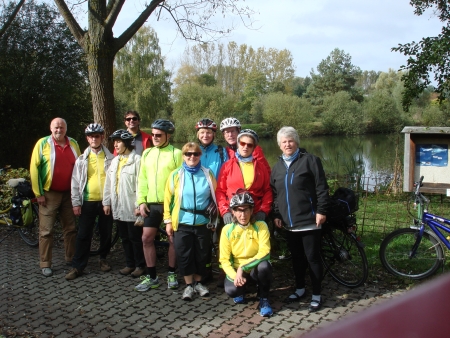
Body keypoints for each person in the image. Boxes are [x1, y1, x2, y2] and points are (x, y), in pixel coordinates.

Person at [270, 126, 329, 312]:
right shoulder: (277, 166)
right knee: (296, 259)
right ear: (279, 145)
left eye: (291, 140)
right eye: (284, 141)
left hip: (309, 220)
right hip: (289, 223)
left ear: (297, 142)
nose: (288, 144)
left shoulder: (310, 161)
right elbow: (275, 193)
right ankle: (300, 289)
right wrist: (277, 214)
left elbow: (321, 188)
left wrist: (321, 210)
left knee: (312, 258)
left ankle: (317, 294)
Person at [164, 142, 218, 300]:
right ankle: (188, 286)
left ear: (200, 155)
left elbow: (216, 197)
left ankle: (199, 283)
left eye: (195, 154)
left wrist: (214, 220)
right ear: (183, 156)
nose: (192, 157)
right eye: (188, 154)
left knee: (202, 254)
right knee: (184, 254)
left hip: (203, 222)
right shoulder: (176, 174)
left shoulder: (208, 174)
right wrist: (168, 221)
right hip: (182, 222)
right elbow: (168, 199)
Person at [135, 119, 182, 292]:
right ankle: (152, 276)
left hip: (170, 204)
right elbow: (142, 179)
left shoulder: (176, 153)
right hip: (151, 204)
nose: (154, 137)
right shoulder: (147, 153)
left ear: (167, 135)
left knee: (172, 239)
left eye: (159, 135)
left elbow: (180, 181)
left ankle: (171, 273)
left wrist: (177, 203)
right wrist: (141, 201)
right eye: (153, 134)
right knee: (146, 238)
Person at [30, 118, 81, 277]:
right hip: (49, 194)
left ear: (66, 129)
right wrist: (39, 194)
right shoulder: (42, 143)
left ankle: (70, 257)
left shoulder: (73, 143)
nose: (59, 130)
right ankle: (45, 263)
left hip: (69, 194)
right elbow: (34, 169)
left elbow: (80, 165)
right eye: (56, 127)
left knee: (71, 229)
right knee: (46, 231)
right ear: (51, 128)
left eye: (62, 127)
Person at [65, 123, 114, 280]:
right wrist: (76, 203)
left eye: (97, 136)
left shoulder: (111, 158)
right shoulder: (81, 159)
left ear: (102, 137)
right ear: (87, 138)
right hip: (88, 200)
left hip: (106, 201)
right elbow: (75, 182)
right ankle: (78, 266)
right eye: (91, 136)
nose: (94, 139)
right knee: (84, 234)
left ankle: (103, 258)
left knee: (106, 232)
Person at [219, 189, 273, 317]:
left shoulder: (261, 226)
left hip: (255, 268)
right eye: (239, 210)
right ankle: (242, 290)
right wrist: (235, 275)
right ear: (233, 211)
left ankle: (264, 299)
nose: (243, 215)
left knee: (264, 266)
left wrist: (243, 267)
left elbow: (265, 251)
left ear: (252, 210)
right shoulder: (227, 229)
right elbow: (224, 260)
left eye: (246, 210)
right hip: (238, 270)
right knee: (232, 290)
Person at [103, 130, 145, 278]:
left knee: (135, 237)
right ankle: (129, 263)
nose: (115, 144)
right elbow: (108, 184)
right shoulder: (115, 161)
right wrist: (106, 202)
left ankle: (140, 265)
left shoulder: (137, 160)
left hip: (132, 205)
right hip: (118, 205)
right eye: (114, 142)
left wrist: (140, 204)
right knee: (125, 237)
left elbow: (141, 184)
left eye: (118, 141)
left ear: (127, 143)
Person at [216, 129, 272, 225]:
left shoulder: (261, 167)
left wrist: (264, 210)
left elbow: (267, 190)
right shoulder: (227, 166)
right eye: (242, 143)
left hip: (255, 214)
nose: (245, 147)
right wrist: (225, 211)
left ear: (254, 148)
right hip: (234, 214)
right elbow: (220, 191)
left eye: (249, 145)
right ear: (238, 144)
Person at [195, 118, 228, 283]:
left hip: (218, 200)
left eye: (208, 132)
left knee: (221, 238)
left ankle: (224, 271)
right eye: (202, 132)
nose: (205, 135)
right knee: (204, 239)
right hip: (200, 201)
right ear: (198, 134)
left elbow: (227, 174)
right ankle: (205, 271)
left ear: (214, 134)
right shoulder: (194, 151)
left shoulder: (221, 151)